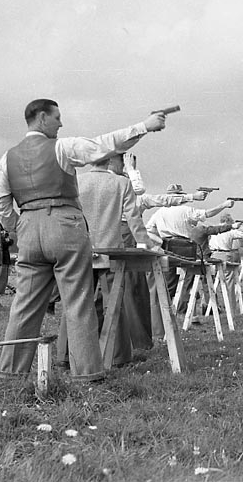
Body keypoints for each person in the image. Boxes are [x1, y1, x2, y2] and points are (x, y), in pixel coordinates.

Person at [0, 98, 166, 382]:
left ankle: (11, 373)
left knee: (24, 304)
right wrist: (144, 126)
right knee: (78, 302)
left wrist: (20, 227)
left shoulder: (7, 158)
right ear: (42, 117)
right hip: (65, 225)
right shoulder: (61, 148)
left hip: (29, 227)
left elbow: (0, 205)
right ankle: (86, 374)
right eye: (57, 117)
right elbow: (103, 145)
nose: (61, 123)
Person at [57, 153, 158, 368]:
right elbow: (133, 218)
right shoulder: (121, 183)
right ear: (111, 161)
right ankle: (118, 356)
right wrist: (145, 243)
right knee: (114, 303)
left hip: (80, 250)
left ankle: (65, 355)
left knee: (74, 302)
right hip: (111, 251)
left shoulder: (76, 180)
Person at [146, 189, 234, 333]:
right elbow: (207, 214)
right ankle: (187, 316)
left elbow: (149, 230)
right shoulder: (186, 210)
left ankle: (162, 321)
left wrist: (160, 241)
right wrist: (224, 205)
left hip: (167, 247)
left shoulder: (159, 212)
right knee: (188, 284)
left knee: (167, 284)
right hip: (186, 248)